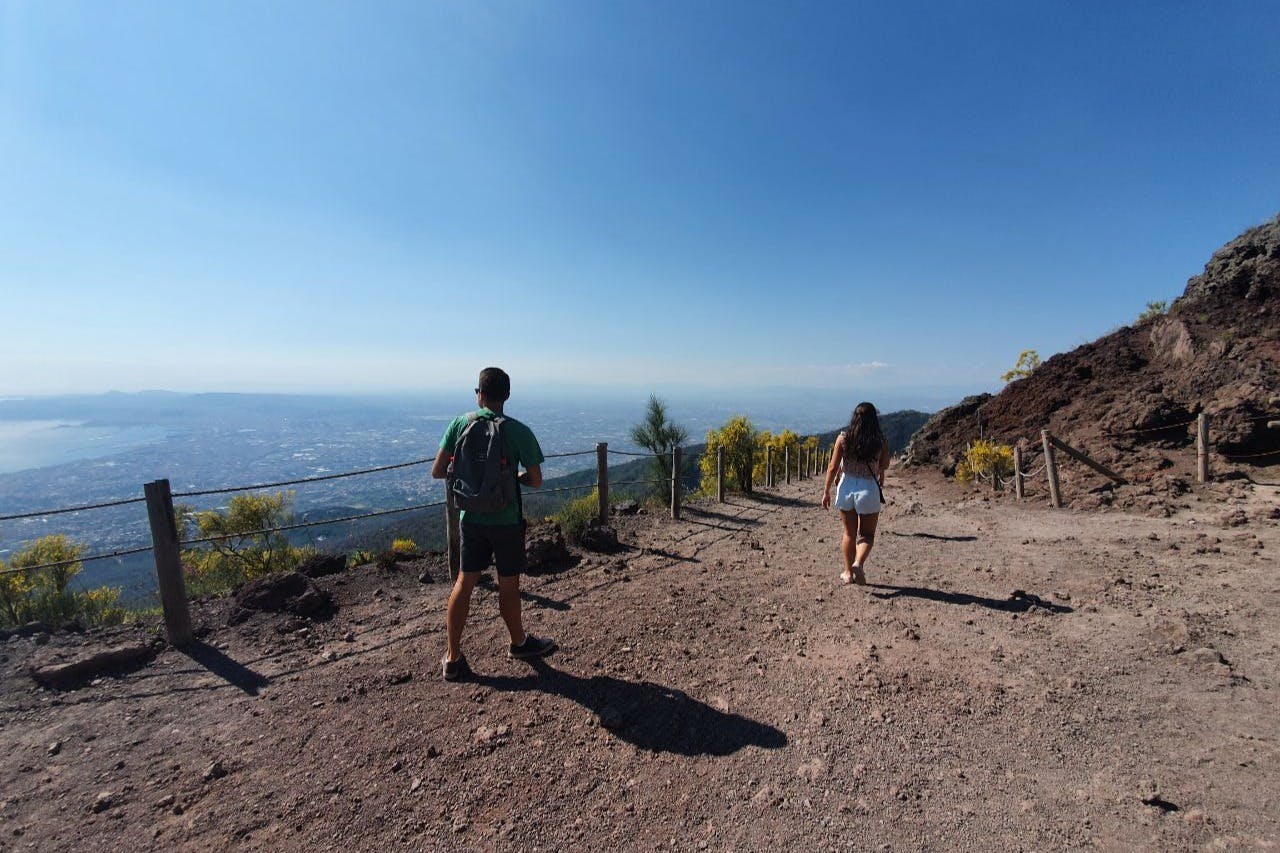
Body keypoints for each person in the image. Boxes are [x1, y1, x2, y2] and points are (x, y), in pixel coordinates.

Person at [432, 367, 556, 681]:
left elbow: (437, 471)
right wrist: (512, 478)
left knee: (464, 582)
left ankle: (452, 657)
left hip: (470, 519)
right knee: (509, 585)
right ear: (507, 396)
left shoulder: (460, 424)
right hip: (507, 521)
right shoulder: (518, 431)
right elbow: (537, 481)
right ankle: (518, 643)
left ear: (480, 394)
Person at [820, 402, 891, 585]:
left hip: (846, 487)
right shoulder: (880, 441)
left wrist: (826, 491)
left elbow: (832, 467)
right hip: (868, 489)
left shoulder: (843, 438)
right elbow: (884, 465)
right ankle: (858, 562)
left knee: (849, 533)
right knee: (867, 535)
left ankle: (847, 572)